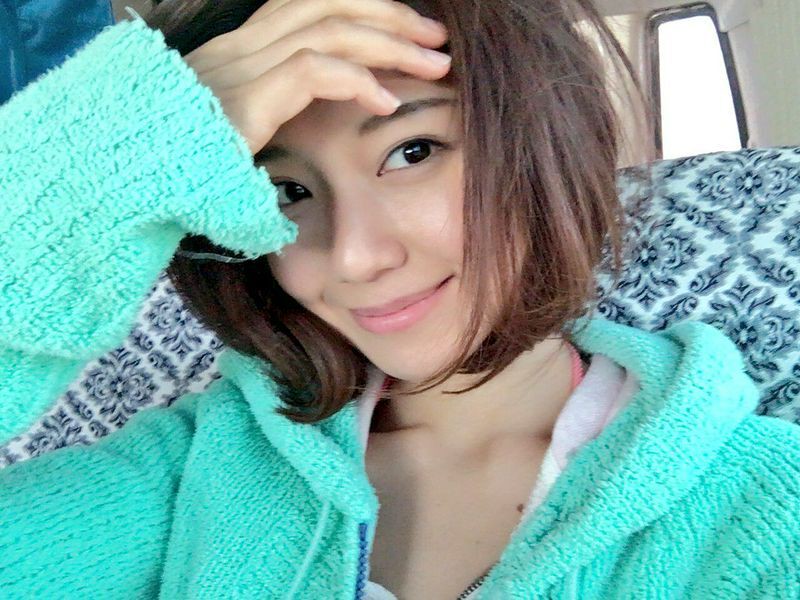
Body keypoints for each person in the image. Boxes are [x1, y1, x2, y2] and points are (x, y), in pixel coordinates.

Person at [0, 0, 798, 598]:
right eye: (285, 191)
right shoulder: (201, 465)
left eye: (412, 151)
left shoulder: (766, 509)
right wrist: (118, 161)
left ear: (544, 143)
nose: (354, 257)